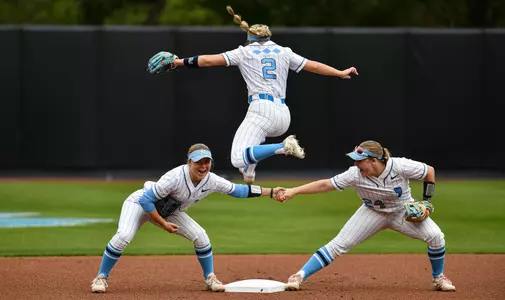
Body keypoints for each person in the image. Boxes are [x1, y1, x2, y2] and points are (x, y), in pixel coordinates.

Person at [147, 5, 358, 184]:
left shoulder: (245, 51)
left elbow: (209, 60)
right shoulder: (284, 51)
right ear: (269, 37)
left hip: (261, 110)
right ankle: (250, 172)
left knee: (237, 158)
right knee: (250, 151)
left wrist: (178, 62)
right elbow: (314, 66)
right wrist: (339, 73)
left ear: (249, 38)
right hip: (283, 114)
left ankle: (283, 147)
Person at [90, 143, 280, 293]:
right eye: (198, 162)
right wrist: (163, 224)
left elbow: (238, 190)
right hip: (140, 204)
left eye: (207, 162)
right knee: (124, 236)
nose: (203, 166)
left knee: (201, 236)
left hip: (168, 210)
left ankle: (210, 278)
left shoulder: (211, 179)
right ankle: (101, 277)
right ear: (189, 162)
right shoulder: (175, 177)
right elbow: (147, 200)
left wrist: (270, 192)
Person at [274, 140, 456, 292]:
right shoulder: (355, 174)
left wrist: (426, 201)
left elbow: (429, 171)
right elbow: (325, 185)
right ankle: (299, 275)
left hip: (402, 211)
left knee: (436, 236)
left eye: (360, 160)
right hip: (372, 212)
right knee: (339, 244)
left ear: (374, 161)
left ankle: (438, 277)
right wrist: (294, 191)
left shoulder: (400, 166)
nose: (356, 164)